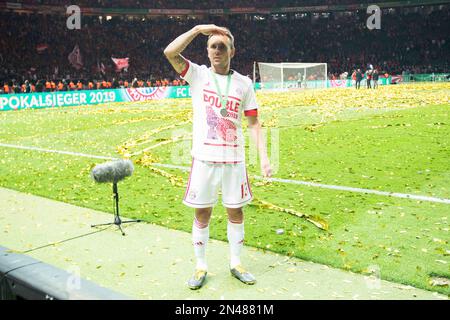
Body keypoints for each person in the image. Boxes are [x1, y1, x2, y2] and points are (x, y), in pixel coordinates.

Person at [164, 24, 272, 290]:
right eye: (212, 46)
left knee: (236, 212)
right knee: (203, 213)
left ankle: (236, 263)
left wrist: (264, 156)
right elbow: (169, 52)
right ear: (207, 50)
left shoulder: (244, 83)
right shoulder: (198, 75)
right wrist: (199, 29)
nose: (217, 51)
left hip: (234, 161)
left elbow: (254, 123)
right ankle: (201, 266)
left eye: (222, 46)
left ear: (232, 51)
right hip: (204, 159)